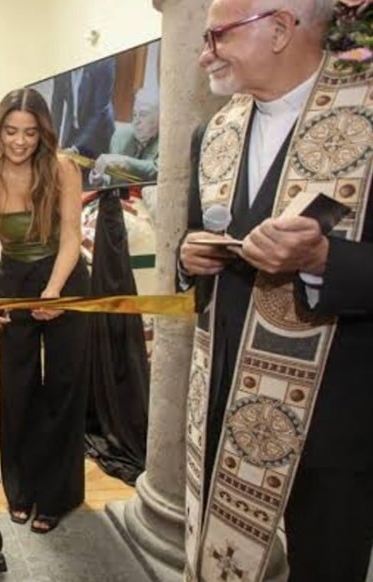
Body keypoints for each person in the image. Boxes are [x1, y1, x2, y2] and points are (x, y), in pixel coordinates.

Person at [178, 1, 373, 580]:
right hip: (224, 405)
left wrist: (324, 260)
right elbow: (199, 235)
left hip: (333, 418)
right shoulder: (212, 132)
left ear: (282, 29)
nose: (205, 55)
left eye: (217, 36)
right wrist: (189, 260)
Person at [0, 87, 90, 535]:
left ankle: (56, 496)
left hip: (64, 277)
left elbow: (72, 236)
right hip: (14, 281)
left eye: (30, 133)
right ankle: (20, 492)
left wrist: (53, 292)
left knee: (63, 386)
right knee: (18, 389)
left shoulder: (63, 169)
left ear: (43, 134)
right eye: (11, 131)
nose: (19, 141)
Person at [49, 57, 116, 162]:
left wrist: (76, 148)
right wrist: (52, 140)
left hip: (98, 132)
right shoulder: (62, 64)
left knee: (92, 170)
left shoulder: (103, 63)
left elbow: (99, 112)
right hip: (74, 128)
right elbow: (56, 106)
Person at [90, 87, 159, 186]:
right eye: (134, 114)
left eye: (143, 115)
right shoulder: (121, 136)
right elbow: (112, 179)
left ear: (159, 117)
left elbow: (157, 170)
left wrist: (124, 162)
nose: (136, 121)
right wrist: (100, 179)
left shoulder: (167, 141)